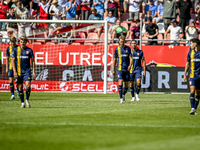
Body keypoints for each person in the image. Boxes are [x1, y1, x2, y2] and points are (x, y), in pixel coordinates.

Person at [12, 37, 36, 108]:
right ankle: (22, 103)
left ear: (26, 42)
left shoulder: (29, 50)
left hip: (27, 71)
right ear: (20, 42)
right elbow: (13, 61)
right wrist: (14, 71)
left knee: (28, 85)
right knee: (20, 87)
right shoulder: (16, 50)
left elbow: (33, 61)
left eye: (24, 42)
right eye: (21, 42)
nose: (22, 43)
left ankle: (27, 100)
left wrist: (34, 71)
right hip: (19, 71)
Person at [113, 35, 133, 103]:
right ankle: (121, 98)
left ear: (124, 41)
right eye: (121, 41)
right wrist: (113, 69)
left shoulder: (128, 49)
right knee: (120, 82)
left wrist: (130, 65)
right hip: (120, 69)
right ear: (119, 41)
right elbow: (115, 60)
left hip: (127, 69)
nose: (122, 42)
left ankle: (123, 94)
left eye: (123, 41)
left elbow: (130, 58)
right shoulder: (117, 49)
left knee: (126, 86)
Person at [184, 38, 200, 115]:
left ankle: (195, 109)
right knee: (192, 91)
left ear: (195, 44)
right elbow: (187, 63)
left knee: (198, 94)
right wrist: (185, 74)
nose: (190, 45)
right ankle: (192, 108)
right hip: (193, 75)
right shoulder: (190, 53)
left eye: (191, 43)